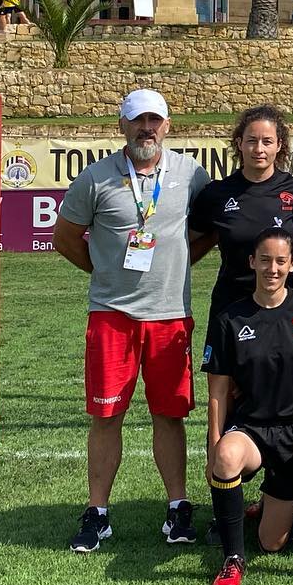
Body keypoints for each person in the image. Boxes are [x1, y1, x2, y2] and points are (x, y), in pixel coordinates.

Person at [53, 89, 210, 553]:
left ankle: (178, 507)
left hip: (169, 317)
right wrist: (104, 273)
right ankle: (97, 511)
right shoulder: (96, 177)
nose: (148, 129)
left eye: (155, 121)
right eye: (138, 121)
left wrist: (180, 268)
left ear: (167, 125)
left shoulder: (190, 174)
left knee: (169, 414)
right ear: (121, 126)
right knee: (107, 414)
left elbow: (209, 233)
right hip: (112, 316)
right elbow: (65, 237)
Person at [204, 229, 293, 585]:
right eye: (265, 260)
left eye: (280, 261)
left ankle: (269, 502)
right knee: (226, 457)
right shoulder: (230, 318)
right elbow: (219, 390)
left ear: (292, 265)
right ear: (252, 262)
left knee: (272, 543)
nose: (272, 269)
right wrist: (214, 443)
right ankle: (232, 560)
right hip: (251, 430)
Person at [188, 103, 293, 343]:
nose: (258, 149)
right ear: (239, 143)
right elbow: (190, 241)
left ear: (279, 145)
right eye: (251, 140)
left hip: (284, 302)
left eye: (267, 141)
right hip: (232, 303)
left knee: (282, 376)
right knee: (226, 378)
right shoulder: (217, 193)